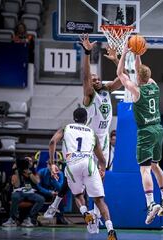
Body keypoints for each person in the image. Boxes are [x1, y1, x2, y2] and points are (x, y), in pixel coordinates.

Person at [43, 34, 122, 230]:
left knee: (97, 184)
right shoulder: (89, 95)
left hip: (103, 142)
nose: (94, 79)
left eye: (97, 78)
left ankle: (92, 218)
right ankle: (56, 206)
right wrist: (87, 53)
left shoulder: (106, 90)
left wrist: (116, 60)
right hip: (88, 142)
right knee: (80, 183)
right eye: (92, 78)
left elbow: (123, 78)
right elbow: (86, 76)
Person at [116, 43, 163, 224]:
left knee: (145, 170)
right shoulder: (154, 85)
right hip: (159, 129)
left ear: (138, 77)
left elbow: (120, 75)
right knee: (156, 166)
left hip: (146, 132)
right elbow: (139, 70)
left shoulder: (136, 90)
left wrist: (125, 53)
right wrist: (138, 54)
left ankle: (151, 204)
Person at [47, 107, 117, 239]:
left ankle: (86, 214)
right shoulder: (92, 132)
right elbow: (102, 159)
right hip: (89, 164)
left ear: (74, 118)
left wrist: (52, 163)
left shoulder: (66, 128)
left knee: (78, 195)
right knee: (99, 201)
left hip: (72, 164)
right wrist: (102, 170)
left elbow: (52, 142)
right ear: (86, 120)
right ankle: (110, 231)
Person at [2, 156, 45, 227]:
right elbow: (16, 185)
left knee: (41, 199)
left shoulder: (33, 171)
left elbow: (37, 181)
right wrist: (16, 171)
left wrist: (29, 173)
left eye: (30, 161)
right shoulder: (16, 171)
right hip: (19, 191)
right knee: (14, 197)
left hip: (30, 192)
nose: (28, 163)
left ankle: (29, 218)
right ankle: (13, 219)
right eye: (27, 161)